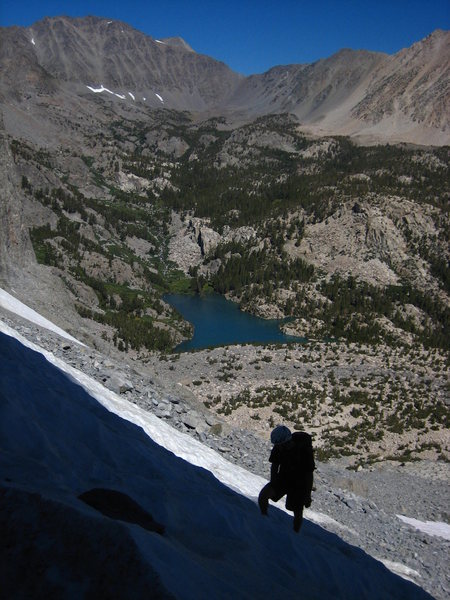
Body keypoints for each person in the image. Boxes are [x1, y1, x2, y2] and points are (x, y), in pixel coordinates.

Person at [258, 425, 315, 533]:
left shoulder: (303, 451)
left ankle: (295, 533)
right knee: (263, 496)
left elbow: (308, 474)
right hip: (284, 477)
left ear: (286, 442)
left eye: (279, 445)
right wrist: (273, 483)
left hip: (299, 482)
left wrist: (307, 495)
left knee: (297, 511)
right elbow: (274, 466)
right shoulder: (279, 447)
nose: (277, 447)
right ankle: (264, 519)